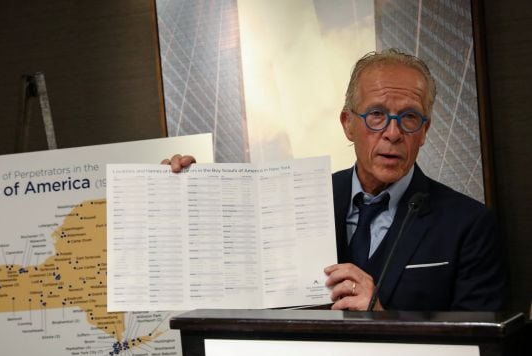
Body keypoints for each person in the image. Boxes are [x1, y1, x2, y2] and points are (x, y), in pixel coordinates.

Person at [162, 49, 506, 311]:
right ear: (347, 123)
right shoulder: (295, 199)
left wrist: (381, 317)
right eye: (376, 115)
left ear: (425, 131)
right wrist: (188, 196)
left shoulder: (469, 225)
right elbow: (229, 268)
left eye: (410, 117)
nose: (392, 133)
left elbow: (479, 354)